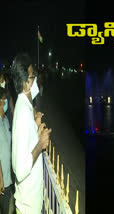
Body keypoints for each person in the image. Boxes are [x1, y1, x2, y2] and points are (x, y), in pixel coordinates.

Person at [11, 53, 52, 214]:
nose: (36, 80)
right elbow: (20, 171)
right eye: (33, 76)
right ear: (25, 84)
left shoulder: (27, 109)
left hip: (30, 202)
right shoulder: (22, 113)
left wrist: (35, 130)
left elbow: (25, 146)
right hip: (27, 207)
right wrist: (40, 144)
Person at [0, 87, 13, 214]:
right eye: (3, 100)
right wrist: (0, 178)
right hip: (1, 179)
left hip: (8, 177)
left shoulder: (6, 121)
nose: (5, 103)